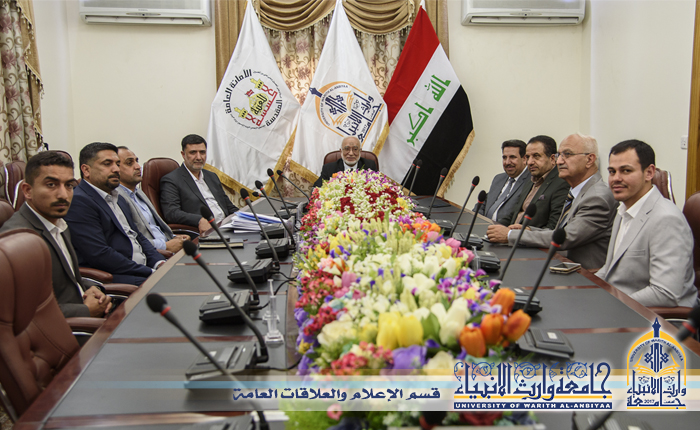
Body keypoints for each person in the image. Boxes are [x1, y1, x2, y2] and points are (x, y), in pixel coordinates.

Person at [0, 151, 112, 318]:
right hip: (69, 328)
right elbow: (25, 313)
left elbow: (67, 280)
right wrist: (86, 311)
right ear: (28, 190)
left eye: (69, 185)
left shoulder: (58, 223)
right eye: (51, 185)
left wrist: (92, 289)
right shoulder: (20, 241)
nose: (63, 195)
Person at [493, 133, 617, 270]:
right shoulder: (577, 191)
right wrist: (529, 229)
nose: (559, 161)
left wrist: (510, 235)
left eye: (567, 154)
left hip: (583, 276)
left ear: (589, 159)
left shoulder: (597, 197)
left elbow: (565, 238)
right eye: (559, 155)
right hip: (560, 265)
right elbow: (559, 231)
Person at [596, 140, 697, 307]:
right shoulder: (623, 209)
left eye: (626, 170)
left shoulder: (666, 219)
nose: (616, 178)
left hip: (654, 316)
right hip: (621, 307)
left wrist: (611, 304)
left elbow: (665, 293)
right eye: (612, 171)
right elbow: (609, 270)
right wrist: (585, 290)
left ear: (649, 173)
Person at [64, 142, 165, 285]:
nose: (116, 169)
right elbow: (100, 254)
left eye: (117, 164)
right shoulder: (79, 201)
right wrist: (150, 272)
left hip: (141, 270)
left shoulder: (118, 198)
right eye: (107, 164)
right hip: (115, 277)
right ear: (86, 170)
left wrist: (160, 263)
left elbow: (139, 237)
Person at [487, 135, 568, 239]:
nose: (530, 162)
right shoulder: (531, 179)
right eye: (528, 157)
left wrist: (512, 235)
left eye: (536, 156)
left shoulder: (561, 183)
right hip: (510, 237)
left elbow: (553, 228)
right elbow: (514, 214)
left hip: (528, 243)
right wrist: (493, 228)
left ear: (552, 159)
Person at [160, 134, 238, 235]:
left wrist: (245, 217)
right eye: (193, 153)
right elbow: (172, 213)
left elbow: (228, 206)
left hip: (227, 226)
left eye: (202, 152)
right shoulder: (171, 180)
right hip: (207, 233)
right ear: (183, 154)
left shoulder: (211, 176)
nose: (199, 157)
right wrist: (199, 220)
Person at [116, 146, 189, 253]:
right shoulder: (116, 199)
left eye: (137, 161)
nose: (138, 167)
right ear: (116, 169)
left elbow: (154, 228)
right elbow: (129, 241)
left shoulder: (138, 192)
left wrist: (175, 238)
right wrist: (165, 245)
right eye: (129, 163)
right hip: (154, 254)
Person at [477, 139, 531, 223]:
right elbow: (483, 204)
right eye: (504, 157)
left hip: (505, 228)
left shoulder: (531, 181)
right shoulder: (498, 178)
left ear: (524, 159)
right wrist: (475, 220)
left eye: (512, 157)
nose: (507, 162)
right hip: (483, 226)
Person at [313, 136, 378, 188]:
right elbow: (316, 188)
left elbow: (379, 185)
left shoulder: (370, 165)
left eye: (355, 149)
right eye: (347, 149)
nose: (351, 153)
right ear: (341, 151)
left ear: (360, 151)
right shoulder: (329, 168)